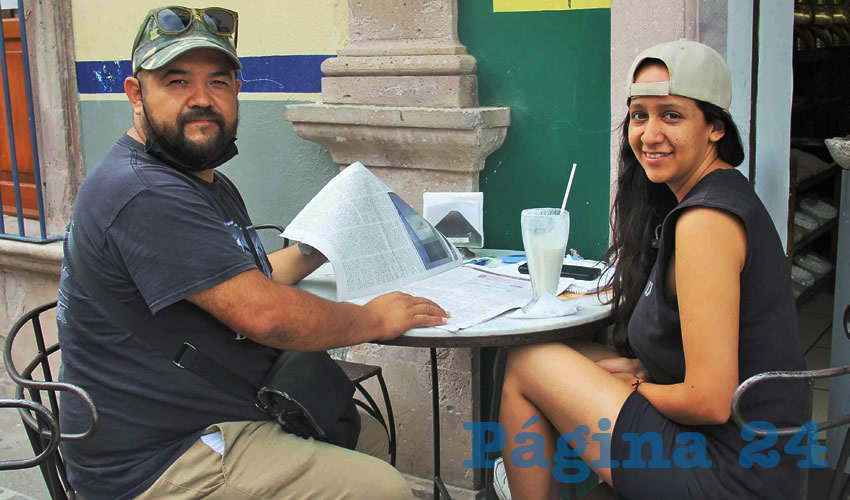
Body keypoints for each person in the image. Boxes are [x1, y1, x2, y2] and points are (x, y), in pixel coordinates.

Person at [57, 6, 449, 499]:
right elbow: (262, 313)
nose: (202, 99)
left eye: (218, 82)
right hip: (159, 457)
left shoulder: (200, 178)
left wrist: (317, 249)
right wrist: (372, 319)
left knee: (361, 432)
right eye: (177, 82)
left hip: (214, 410)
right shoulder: (143, 192)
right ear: (136, 94)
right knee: (381, 488)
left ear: (236, 91)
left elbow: (244, 280)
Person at [497, 40, 806, 499]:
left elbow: (709, 400)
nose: (649, 133)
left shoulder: (705, 222)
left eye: (672, 115)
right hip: (744, 451)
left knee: (526, 363)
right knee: (548, 351)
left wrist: (638, 386)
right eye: (640, 115)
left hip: (732, 471)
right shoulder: (711, 196)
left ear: (716, 127)